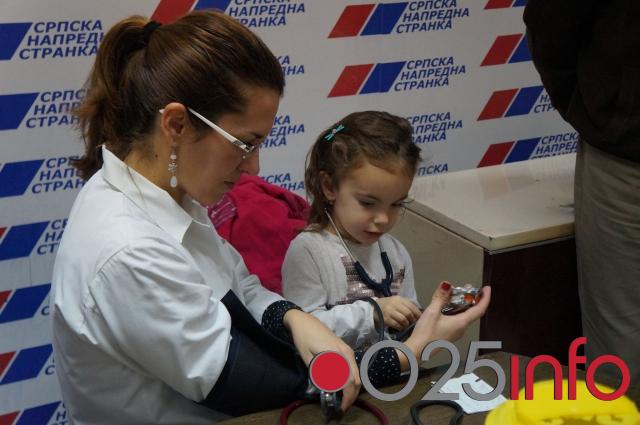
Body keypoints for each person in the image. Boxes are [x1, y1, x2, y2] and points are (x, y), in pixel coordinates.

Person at [50, 11, 490, 425]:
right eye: (245, 144)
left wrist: (298, 321)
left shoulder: (170, 198)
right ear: (177, 125)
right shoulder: (129, 249)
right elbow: (262, 385)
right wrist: (412, 351)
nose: (254, 167)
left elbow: (243, 290)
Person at [282, 112, 490, 360]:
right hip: (336, 376)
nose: (383, 219)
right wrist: (373, 312)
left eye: (396, 204)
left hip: (397, 370)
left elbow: (408, 329)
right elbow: (303, 329)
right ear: (329, 187)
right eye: (368, 203)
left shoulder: (395, 252)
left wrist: (440, 311)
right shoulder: (308, 251)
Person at [524, 1, 640, 386]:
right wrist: (601, 117)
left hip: (621, 150)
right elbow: (551, 22)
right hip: (625, 164)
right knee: (621, 353)